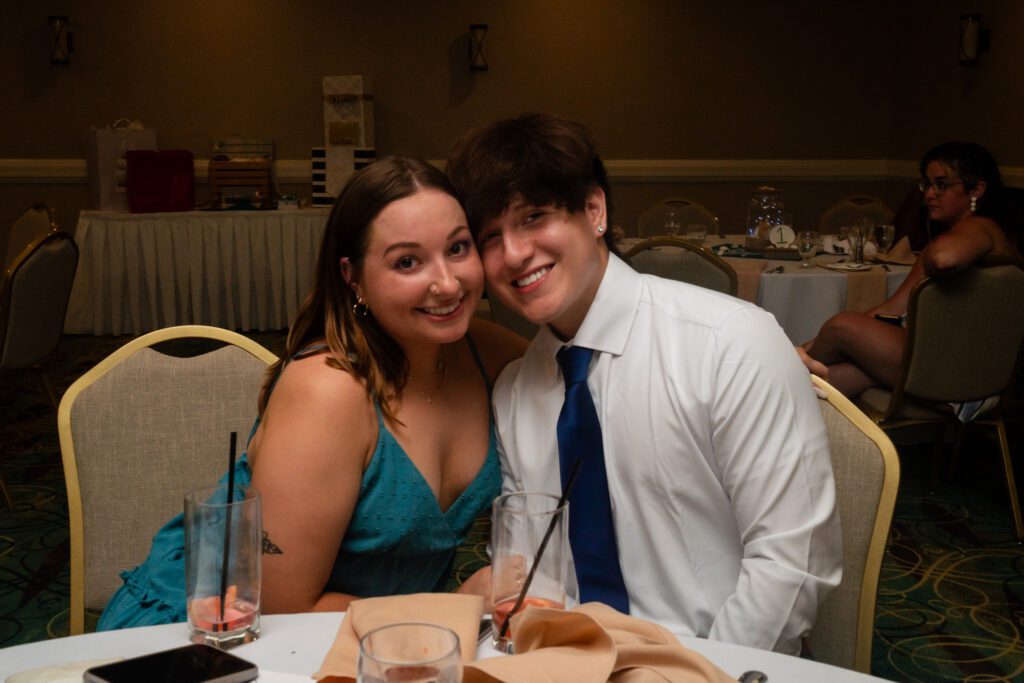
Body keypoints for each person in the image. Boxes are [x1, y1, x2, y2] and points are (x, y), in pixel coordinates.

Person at [446, 113, 841, 656]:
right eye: (491, 237)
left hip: (714, 661)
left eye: (534, 217)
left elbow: (793, 562)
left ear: (594, 210)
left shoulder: (728, 343)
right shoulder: (517, 390)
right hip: (570, 661)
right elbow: (536, 568)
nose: (514, 254)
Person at [98, 156, 526, 629]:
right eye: (407, 261)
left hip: (382, 638)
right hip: (215, 635)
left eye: (458, 248)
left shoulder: (491, 355)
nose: (447, 284)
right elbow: (281, 608)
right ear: (352, 277)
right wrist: (454, 608)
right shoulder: (329, 390)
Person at [798, 142, 1021, 401]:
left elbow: (943, 259)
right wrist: (813, 344)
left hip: (952, 366)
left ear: (977, 190)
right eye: (927, 184)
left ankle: (784, 370)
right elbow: (890, 310)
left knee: (841, 325)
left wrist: (821, 343)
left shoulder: (980, 227)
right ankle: (789, 387)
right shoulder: (968, 234)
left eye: (942, 185)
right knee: (832, 378)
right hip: (975, 372)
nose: (929, 195)